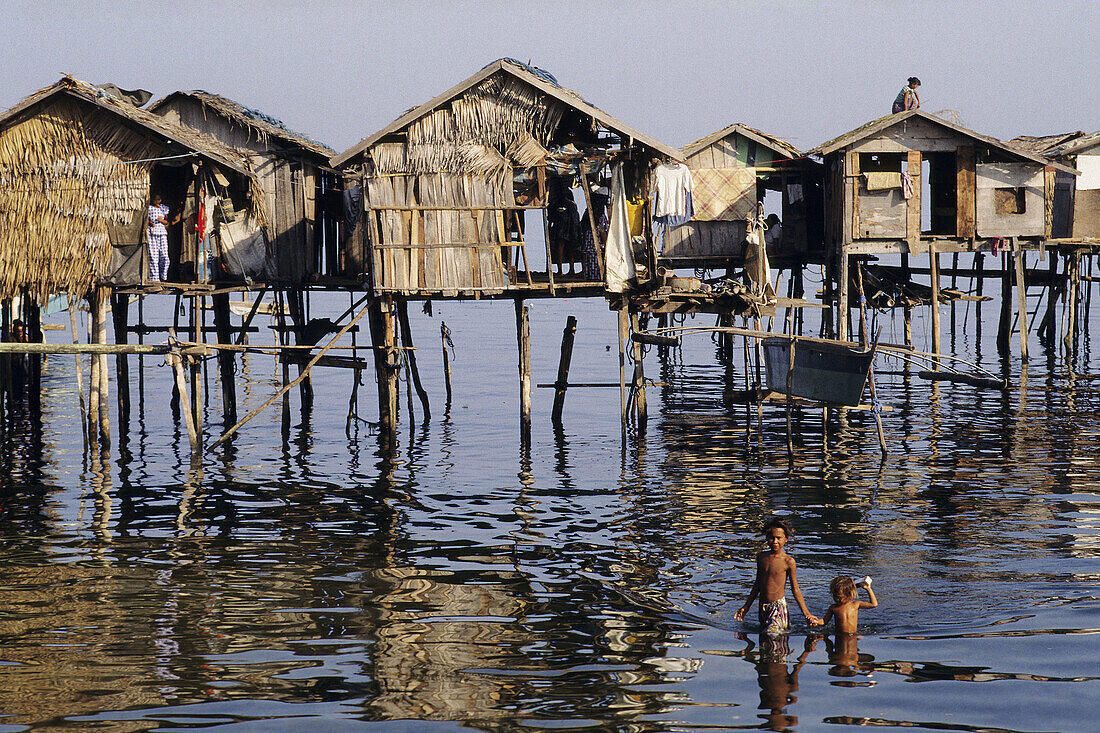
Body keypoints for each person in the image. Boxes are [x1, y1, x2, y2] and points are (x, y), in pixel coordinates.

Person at [735, 518, 822, 633]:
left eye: (778, 538)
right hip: (763, 607)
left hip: (778, 608)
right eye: (771, 537)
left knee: (773, 637)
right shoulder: (761, 558)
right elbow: (757, 585)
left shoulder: (788, 562)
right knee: (766, 643)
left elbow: (795, 589)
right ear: (766, 538)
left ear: (786, 539)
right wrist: (746, 606)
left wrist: (806, 613)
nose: (775, 541)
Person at [148, 193, 179, 282]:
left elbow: (167, 222)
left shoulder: (163, 208)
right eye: (155, 200)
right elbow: (145, 219)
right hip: (152, 233)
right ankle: (155, 279)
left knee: (165, 257)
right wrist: (150, 223)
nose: (157, 201)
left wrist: (162, 220)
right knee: (153, 257)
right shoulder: (149, 208)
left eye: (159, 200)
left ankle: (163, 276)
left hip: (162, 233)